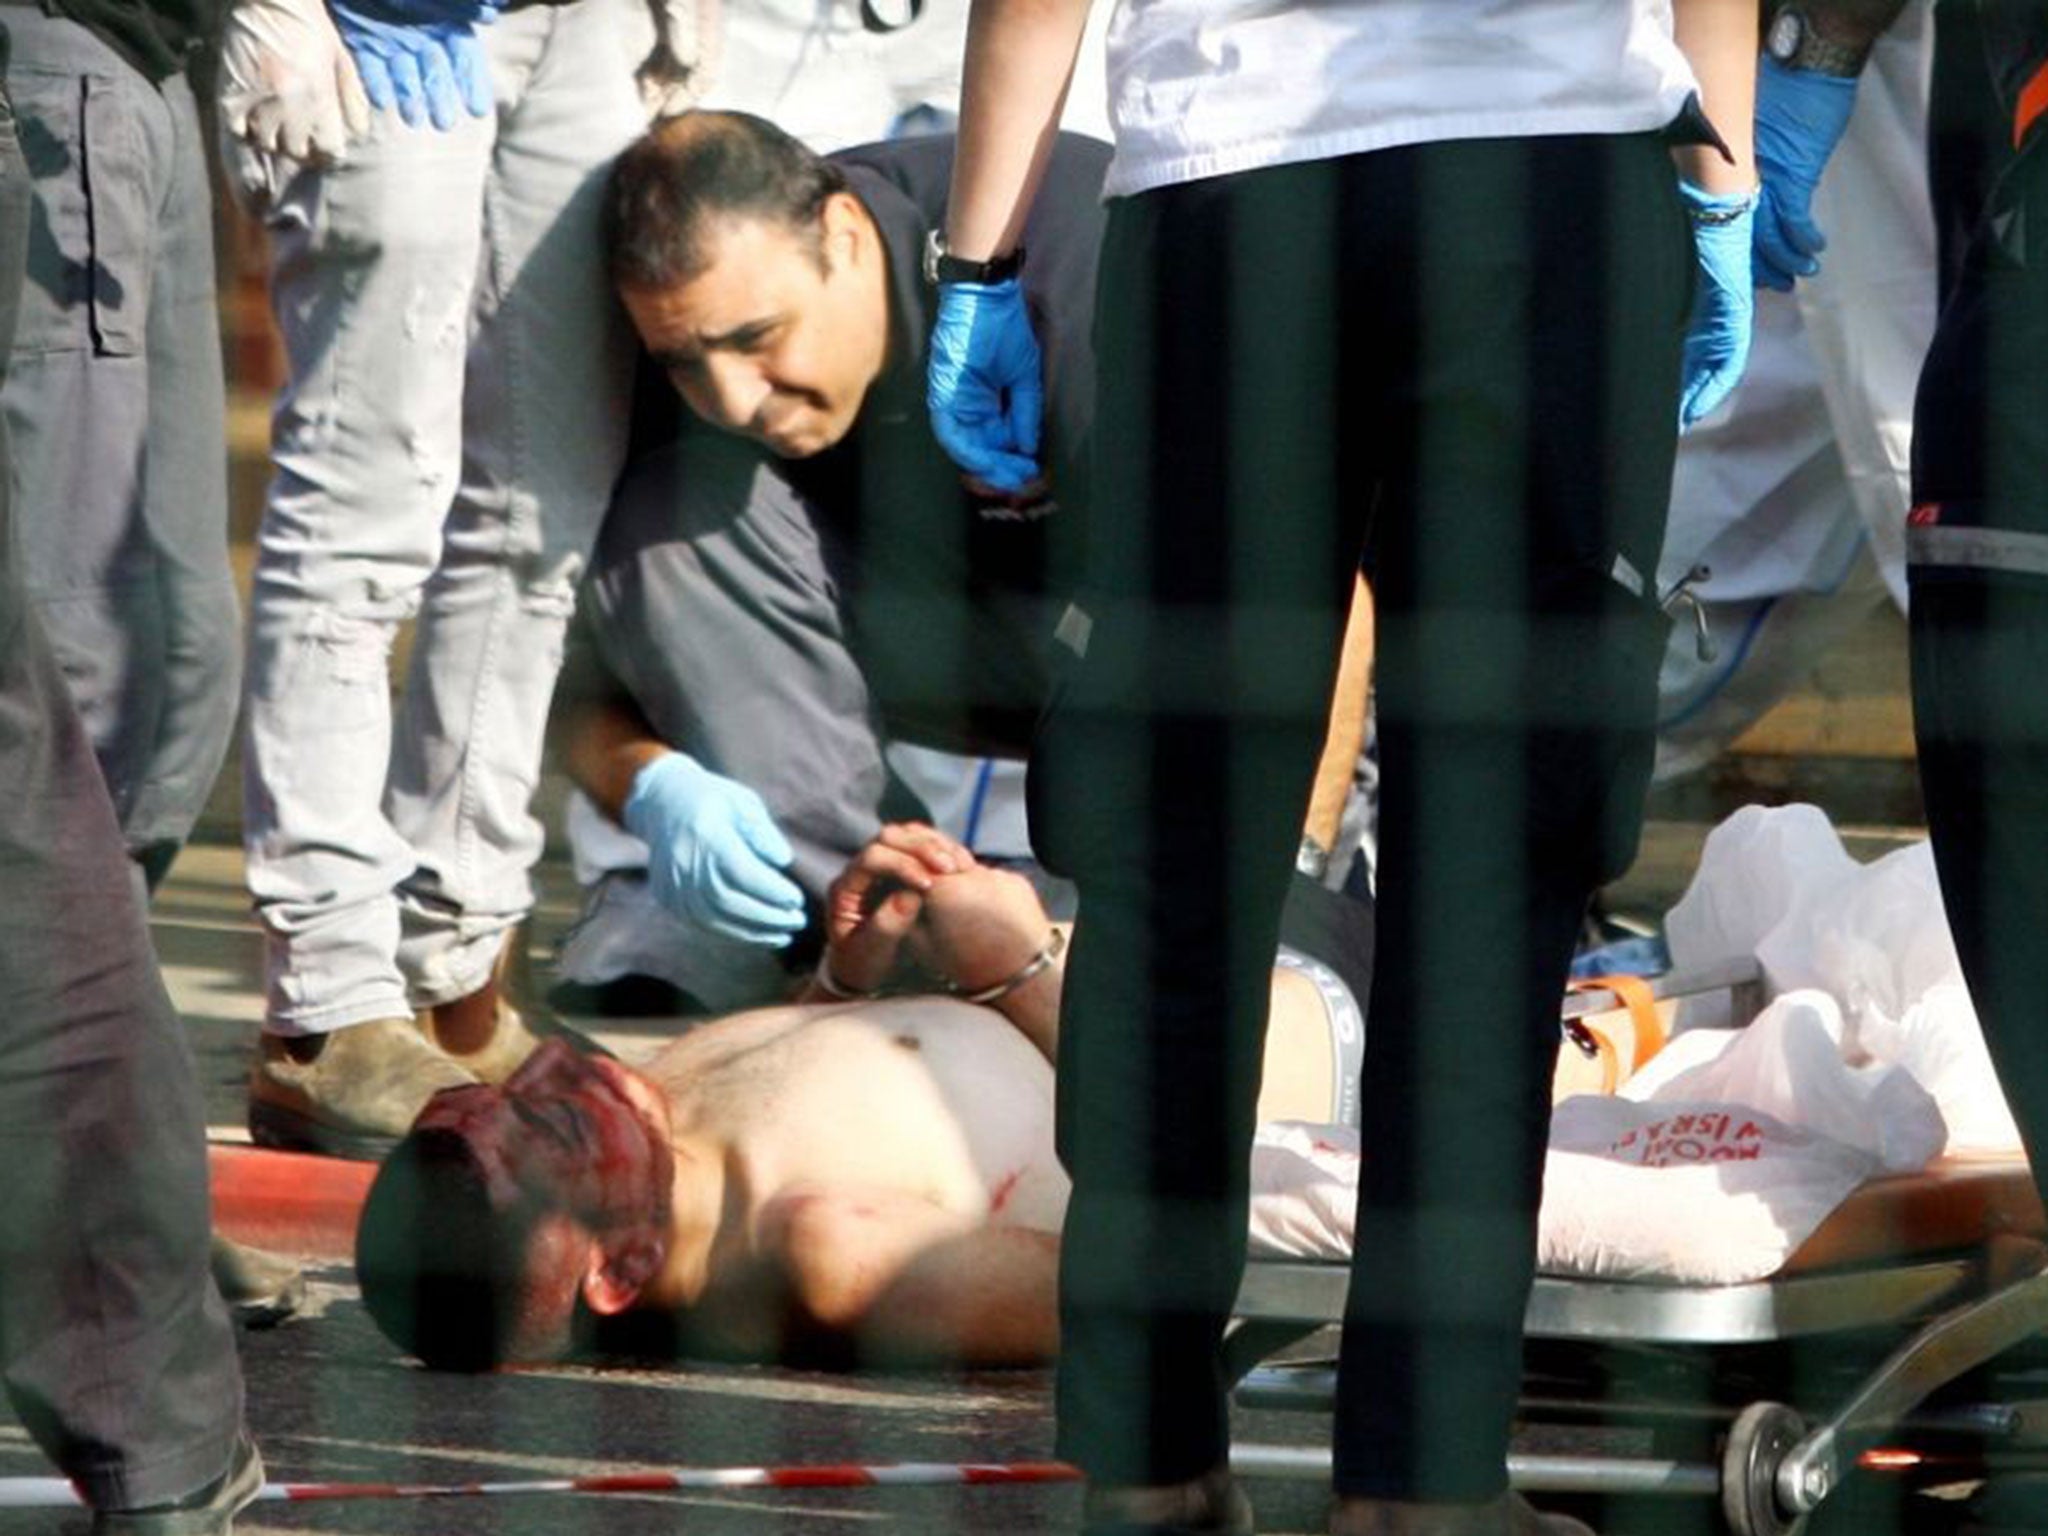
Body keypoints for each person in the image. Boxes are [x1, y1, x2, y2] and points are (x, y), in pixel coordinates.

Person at [924, 2, 1761, 1532]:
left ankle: (1144, 1464)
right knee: (1496, 853)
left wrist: (977, 254)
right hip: (1548, 170)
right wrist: (1726, 169)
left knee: (1177, 845)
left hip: (1232, 190)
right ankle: (1425, 1487)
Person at [355, 823, 1372, 1370]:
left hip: (1187, 945)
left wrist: (851, 971)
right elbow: (1168, 1271)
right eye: (554, 1120)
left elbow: (826, 1084)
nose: (556, 1074)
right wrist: (1016, 975)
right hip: (1332, 1038)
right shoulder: (839, 1252)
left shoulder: (649, 1134)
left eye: (504, 1092)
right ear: (619, 1269)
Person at [551, 111, 1111, 1011]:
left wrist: (1295, 874)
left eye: (754, 339)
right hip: (922, 635)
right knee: (669, 522)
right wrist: (650, 783)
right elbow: (560, 682)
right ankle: (898, 925)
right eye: (686, 362)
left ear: (845, 238)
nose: (732, 399)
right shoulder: (678, 368)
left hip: (1156, 650)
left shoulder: (1066, 260)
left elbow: (1319, 587)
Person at [230, 0, 651, 1158]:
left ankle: (452, 969)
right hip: (379, 24)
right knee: (365, 504)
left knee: (539, 513)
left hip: (568, 21)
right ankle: (325, 1006)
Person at [0, 30, 262, 1532]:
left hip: (144, 55)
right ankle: (88, 1244)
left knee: (163, 678)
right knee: (70, 696)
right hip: (60, 65)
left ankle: (111, 1205)